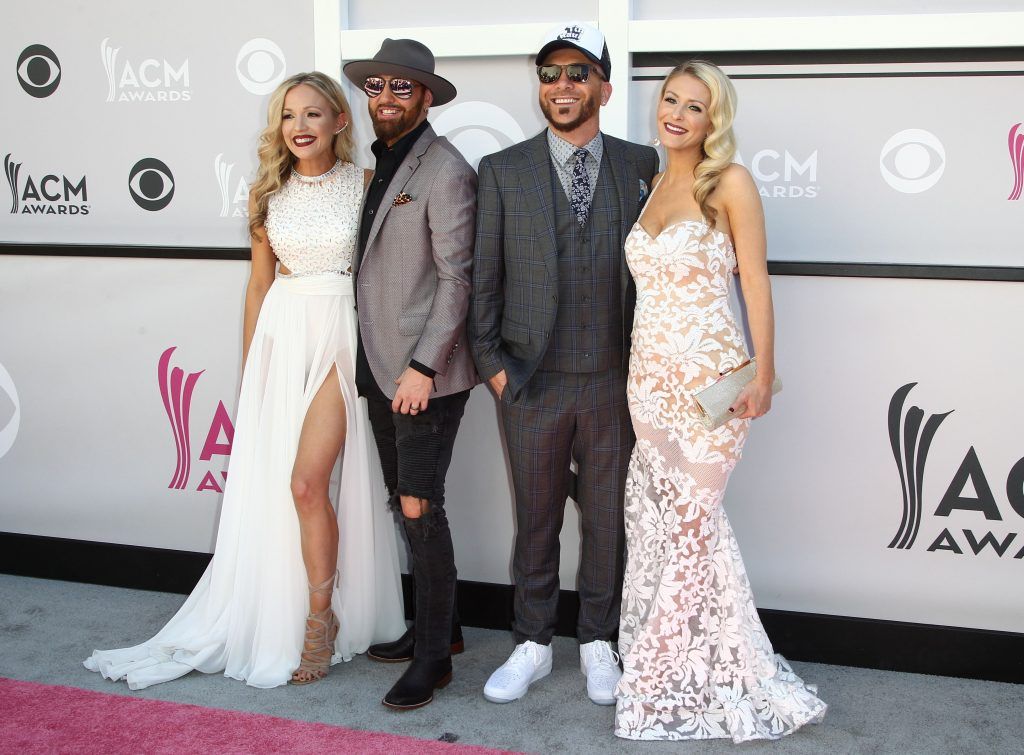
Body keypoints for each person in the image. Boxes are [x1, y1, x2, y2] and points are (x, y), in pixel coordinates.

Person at [83, 72, 406, 689]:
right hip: (282, 340)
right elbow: (259, 285)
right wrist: (253, 366)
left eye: (314, 114)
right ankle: (313, 608)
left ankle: (319, 621)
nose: (301, 126)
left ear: (340, 122)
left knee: (308, 483)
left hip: (343, 337)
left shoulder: (366, 186)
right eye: (289, 116)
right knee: (283, 488)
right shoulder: (268, 195)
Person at [613, 60, 827, 740]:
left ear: (715, 119)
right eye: (670, 99)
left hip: (714, 385)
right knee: (663, 526)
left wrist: (764, 371)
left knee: (695, 523)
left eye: (694, 106)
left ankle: (656, 671)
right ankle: (690, 658)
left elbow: (756, 281)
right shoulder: (649, 186)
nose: (676, 113)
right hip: (647, 384)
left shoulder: (728, 182)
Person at [469, 23, 658, 706]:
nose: (562, 86)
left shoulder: (644, 165)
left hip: (614, 380)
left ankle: (600, 641)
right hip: (531, 381)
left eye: (578, 73)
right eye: (550, 73)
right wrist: (495, 369)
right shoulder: (504, 170)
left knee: (608, 518)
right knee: (538, 517)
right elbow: (481, 280)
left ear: (604, 86)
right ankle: (533, 642)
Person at [342, 39, 478, 711]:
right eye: (377, 88)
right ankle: (442, 630)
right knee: (404, 498)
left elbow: (460, 279)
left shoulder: (445, 168)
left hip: (425, 374)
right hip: (378, 365)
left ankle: (433, 660)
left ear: (426, 98)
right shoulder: (382, 165)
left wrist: (424, 365)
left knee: (421, 505)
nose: (387, 99)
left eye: (402, 89)